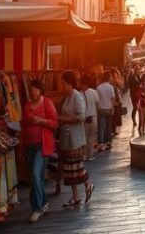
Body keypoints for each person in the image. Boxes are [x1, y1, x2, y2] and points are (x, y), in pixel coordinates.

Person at [22, 79, 58, 222]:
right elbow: (24, 126)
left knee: (36, 176)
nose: (32, 92)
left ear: (40, 90)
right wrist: (22, 147)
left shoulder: (47, 103)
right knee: (35, 178)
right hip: (29, 146)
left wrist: (40, 121)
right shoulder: (27, 105)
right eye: (31, 90)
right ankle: (43, 202)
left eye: (35, 90)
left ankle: (37, 208)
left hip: (42, 146)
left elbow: (55, 123)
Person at [58, 71, 94, 207]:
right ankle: (75, 196)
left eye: (63, 84)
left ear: (69, 84)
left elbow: (80, 117)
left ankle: (88, 185)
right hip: (67, 138)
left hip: (75, 138)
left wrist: (64, 119)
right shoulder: (67, 97)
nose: (62, 86)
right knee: (69, 169)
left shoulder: (76, 97)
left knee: (76, 166)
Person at [80, 75, 99, 161]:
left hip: (84, 119)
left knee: (83, 137)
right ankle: (90, 155)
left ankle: (84, 155)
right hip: (93, 117)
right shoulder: (94, 92)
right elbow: (97, 104)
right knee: (91, 137)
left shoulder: (79, 94)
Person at [96, 72, 115, 151]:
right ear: (109, 77)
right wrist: (112, 107)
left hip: (101, 109)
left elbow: (97, 100)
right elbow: (113, 98)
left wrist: (98, 108)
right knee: (108, 126)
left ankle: (101, 143)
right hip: (109, 108)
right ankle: (108, 142)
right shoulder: (111, 87)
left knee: (101, 126)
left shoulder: (99, 87)